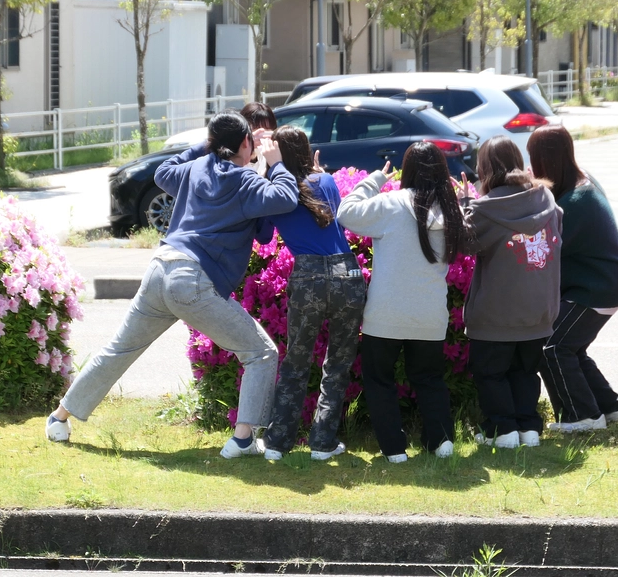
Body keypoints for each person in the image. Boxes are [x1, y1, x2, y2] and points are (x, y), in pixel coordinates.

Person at [45, 111, 299, 458]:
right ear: (245, 144)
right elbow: (285, 197)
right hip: (192, 281)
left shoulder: (195, 168)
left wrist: (207, 145)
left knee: (119, 350)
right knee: (261, 353)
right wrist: (276, 162)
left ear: (212, 143)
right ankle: (242, 441)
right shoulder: (244, 180)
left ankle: (59, 418)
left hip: (159, 270)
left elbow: (163, 171)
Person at [336, 143, 468, 462]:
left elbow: (345, 213)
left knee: (380, 380)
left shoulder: (390, 203)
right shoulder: (451, 210)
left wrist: (376, 179)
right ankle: (441, 441)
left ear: (406, 170)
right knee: (429, 378)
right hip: (430, 315)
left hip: (385, 314)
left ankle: (394, 450)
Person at [260, 127, 367, 462]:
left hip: (308, 275)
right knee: (338, 361)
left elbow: (263, 236)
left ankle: (277, 442)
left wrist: (269, 169)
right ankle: (322, 443)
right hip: (345, 271)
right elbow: (334, 219)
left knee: (296, 361)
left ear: (277, 153)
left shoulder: (274, 192)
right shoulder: (327, 182)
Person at [458, 136, 562, 449]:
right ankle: (528, 429)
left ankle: (501, 431)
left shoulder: (485, 209)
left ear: (485, 169)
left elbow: (464, 244)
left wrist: (465, 205)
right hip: (538, 309)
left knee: (491, 374)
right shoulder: (545, 198)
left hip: (496, 312)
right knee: (526, 373)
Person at [527, 125, 618, 433]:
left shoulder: (574, 203)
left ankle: (582, 417)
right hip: (604, 283)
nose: (532, 168)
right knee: (570, 346)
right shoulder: (581, 180)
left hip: (596, 289)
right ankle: (611, 409)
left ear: (546, 160)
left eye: (534, 160)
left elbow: (541, 253)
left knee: (552, 346)